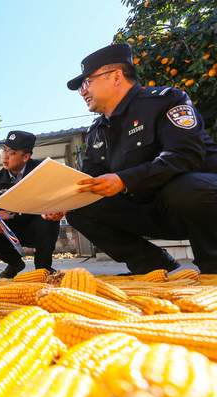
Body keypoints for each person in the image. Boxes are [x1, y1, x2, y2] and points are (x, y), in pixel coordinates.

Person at [59, 43, 217, 274]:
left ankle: (212, 267)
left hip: (197, 205)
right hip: (150, 211)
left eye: (87, 82)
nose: (83, 91)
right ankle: (153, 267)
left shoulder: (166, 100)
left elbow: (185, 155)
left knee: (186, 188)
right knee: (80, 209)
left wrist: (124, 180)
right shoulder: (97, 131)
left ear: (116, 76)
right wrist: (60, 202)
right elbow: (89, 181)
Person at [0, 131, 61, 278]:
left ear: (26, 157)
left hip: (37, 227)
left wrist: (12, 213)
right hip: (11, 231)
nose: (5, 156)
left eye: (12, 152)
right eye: (4, 150)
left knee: (48, 220)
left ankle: (43, 268)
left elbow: (54, 198)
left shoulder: (42, 170)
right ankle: (15, 263)